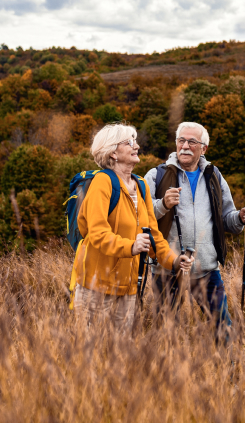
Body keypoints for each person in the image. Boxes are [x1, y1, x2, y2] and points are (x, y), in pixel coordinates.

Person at [71, 123, 193, 335]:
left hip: (128, 289)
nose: (136, 146)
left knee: (119, 356)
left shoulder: (141, 186)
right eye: (129, 142)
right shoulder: (102, 182)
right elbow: (97, 234)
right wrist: (131, 246)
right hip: (96, 287)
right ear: (112, 153)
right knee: (90, 357)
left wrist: (174, 260)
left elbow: (153, 236)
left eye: (135, 141)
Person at [144, 121, 245, 343]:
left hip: (206, 268)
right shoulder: (156, 175)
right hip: (167, 267)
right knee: (165, 332)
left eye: (192, 142)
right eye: (181, 141)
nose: (185, 146)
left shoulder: (213, 176)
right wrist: (163, 204)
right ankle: (166, 374)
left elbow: (228, 219)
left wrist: (241, 217)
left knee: (223, 328)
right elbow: (143, 219)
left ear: (203, 148)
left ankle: (230, 373)